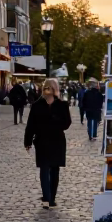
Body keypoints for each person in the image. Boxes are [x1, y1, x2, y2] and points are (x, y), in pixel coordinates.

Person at [24, 77, 72, 208]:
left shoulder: (62, 105)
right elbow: (31, 125)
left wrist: (54, 120)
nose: (48, 90)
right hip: (42, 141)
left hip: (56, 141)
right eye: (47, 87)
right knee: (45, 169)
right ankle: (47, 197)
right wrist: (28, 141)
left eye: (50, 87)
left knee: (54, 170)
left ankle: (51, 198)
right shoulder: (37, 105)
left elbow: (67, 123)